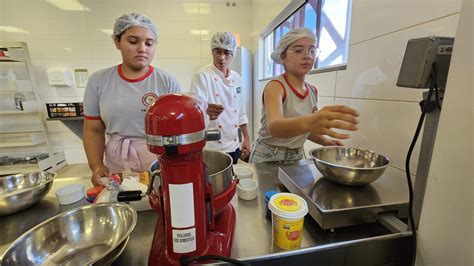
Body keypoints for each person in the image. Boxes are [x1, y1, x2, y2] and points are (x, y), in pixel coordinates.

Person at [83, 13, 181, 185]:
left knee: (159, 202)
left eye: (149, 43)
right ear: (117, 42)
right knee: (125, 204)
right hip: (118, 160)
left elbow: (179, 129)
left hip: (158, 160)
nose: (142, 48)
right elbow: (93, 130)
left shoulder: (166, 81)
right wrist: (97, 166)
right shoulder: (99, 81)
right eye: (133, 41)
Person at [249, 28, 359, 163]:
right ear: (283, 56)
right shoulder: (276, 87)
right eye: (298, 50)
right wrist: (311, 121)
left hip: (296, 155)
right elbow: (275, 127)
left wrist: (325, 141)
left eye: (312, 50)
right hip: (268, 155)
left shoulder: (312, 91)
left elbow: (303, 129)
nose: (307, 55)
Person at [190, 32, 250, 164]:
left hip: (234, 144)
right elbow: (195, 112)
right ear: (212, 52)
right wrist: (205, 110)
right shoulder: (202, 76)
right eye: (218, 51)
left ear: (233, 54)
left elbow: (240, 111)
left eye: (227, 53)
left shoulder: (237, 78)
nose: (222, 57)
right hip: (212, 148)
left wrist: (246, 138)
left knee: (232, 180)